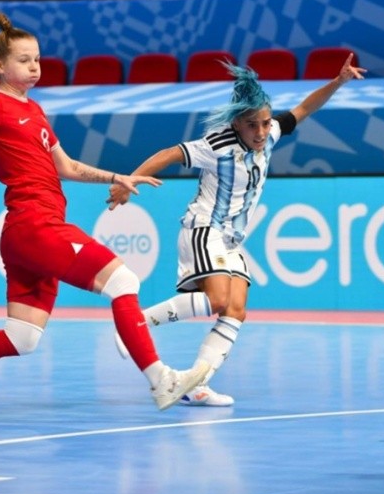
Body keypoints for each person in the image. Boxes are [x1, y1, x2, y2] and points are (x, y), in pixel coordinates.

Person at [0, 12, 209, 420]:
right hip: (33, 225)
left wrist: (119, 176)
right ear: (0, 67)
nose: (34, 66)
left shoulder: (37, 111)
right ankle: (161, 379)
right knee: (124, 280)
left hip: (27, 233)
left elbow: (68, 167)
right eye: (24, 60)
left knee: (22, 337)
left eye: (38, 60)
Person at [108, 55, 365, 406]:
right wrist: (128, 182)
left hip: (231, 240)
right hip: (203, 228)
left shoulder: (271, 132)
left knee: (236, 310)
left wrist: (338, 82)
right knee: (218, 300)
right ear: (237, 123)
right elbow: (169, 153)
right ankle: (136, 324)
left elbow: (306, 108)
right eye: (251, 125)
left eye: (263, 123)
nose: (260, 132)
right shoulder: (216, 145)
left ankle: (197, 384)